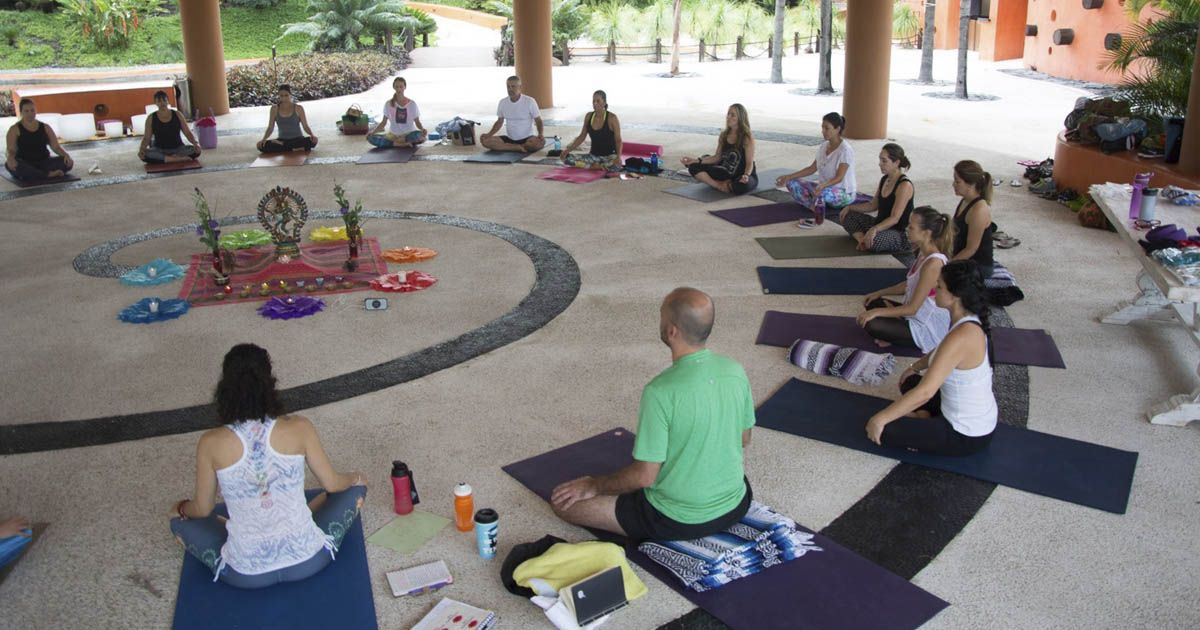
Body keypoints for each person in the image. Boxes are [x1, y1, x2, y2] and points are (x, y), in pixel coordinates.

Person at [551, 288, 754, 542]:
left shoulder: (660, 391)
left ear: (672, 331)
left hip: (676, 519)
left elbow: (644, 477)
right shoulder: (734, 370)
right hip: (736, 504)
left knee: (564, 505)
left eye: (661, 316)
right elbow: (743, 438)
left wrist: (594, 485)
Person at [169, 344, 367, 589]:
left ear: (224, 388)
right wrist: (357, 477)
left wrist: (179, 507)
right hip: (309, 560)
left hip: (244, 574)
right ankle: (309, 510)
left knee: (178, 523)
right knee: (355, 491)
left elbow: (202, 508)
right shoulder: (299, 427)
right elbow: (333, 484)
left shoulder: (211, 442)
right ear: (270, 382)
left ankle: (231, 525)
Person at [866, 260, 997, 455]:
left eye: (940, 286)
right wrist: (915, 367)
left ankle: (923, 418)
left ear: (955, 296)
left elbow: (925, 392)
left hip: (965, 435)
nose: (934, 289)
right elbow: (941, 350)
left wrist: (880, 419)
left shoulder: (962, 336)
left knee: (882, 431)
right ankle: (924, 416)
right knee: (910, 381)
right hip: (957, 412)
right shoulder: (968, 320)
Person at [858, 206, 954, 353]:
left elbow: (912, 308)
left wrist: (876, 312)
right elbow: (909, 285)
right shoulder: (923, 253)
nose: (906, 229)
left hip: (925, 325)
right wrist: (879, 293)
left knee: (872, 323)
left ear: (926, 233)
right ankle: (894, 331)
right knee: (873, 302)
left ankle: (897, 337)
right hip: (913, 314)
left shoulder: (933, 264)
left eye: (911, 227)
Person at [775, 112, 856, 224]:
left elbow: (839, 177)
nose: (823, 131)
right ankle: (814, 205)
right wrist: (789, 176)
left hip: (843, 194)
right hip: (822, 189)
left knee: (820, 193)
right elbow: (812, 168)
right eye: (822, 127)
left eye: (827, 128)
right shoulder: (823, 146)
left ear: (837, 129)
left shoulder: (845, 150)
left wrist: (823, 185)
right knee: (792, 183)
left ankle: (814, 202)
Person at [839, 143, 915, 252]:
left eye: (884, 161)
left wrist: (874, 229)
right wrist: (850, 207)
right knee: (848, 216)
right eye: (880, 160)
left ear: (896, 162)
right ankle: (863, 241)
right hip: (879, 225)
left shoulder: (904, 185)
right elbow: (873, 205)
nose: (880, 164)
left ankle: (868, 240)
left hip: (897, 232)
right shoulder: (884, 179)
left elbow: (895, 218)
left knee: (876, 241)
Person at [679, 104, 758, 195]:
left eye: (732, 115)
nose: (728, 117)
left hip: (742, 174)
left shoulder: (747, 137)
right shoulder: (724, 135)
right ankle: (719, 185)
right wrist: (695, 160)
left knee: (742, 186)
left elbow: (749, 162)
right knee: (693, 167)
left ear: (740, 118)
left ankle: (728, 184)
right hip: (725, 171)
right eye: (728, 114)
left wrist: (746, 175)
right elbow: (717, 157)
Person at [4, 98, 73, 181]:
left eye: (32, 110)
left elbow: (56, 147)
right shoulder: (14, 129)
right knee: (10, 165)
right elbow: (11, 150)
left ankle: (38, 174)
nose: (30, 113)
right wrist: (10, 158)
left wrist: (66, 155)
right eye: (26, 111)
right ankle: (47, 174)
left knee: (66, 163)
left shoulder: (45, 127)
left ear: (36, 111)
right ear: (21, 112)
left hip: (44, 162)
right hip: (25, 163)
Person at [950, 160, 997, 278]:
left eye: (957, 181)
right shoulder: (965, 200)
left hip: (978, 266)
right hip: (962, 259)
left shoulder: (979, 210)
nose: (953, 184)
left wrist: (947, 266)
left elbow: (971, 249)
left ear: (970, 184)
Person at [560, 90, 623, 171]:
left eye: (598, 101)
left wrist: (618, 157)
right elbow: (582, 136)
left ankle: (594, 166)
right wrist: (567, 151)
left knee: (615, 165)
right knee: (566, 159)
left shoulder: (612, 118)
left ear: (604, 103)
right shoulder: (589, 116)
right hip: (593, 157)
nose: (595, 103)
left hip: (609, 157)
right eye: (593, 101)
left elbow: (618, 140)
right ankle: (597, 166)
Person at [480, 75, 545, 153]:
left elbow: (538, 120)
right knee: (486, 142)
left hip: (528, 139)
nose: (510, 89)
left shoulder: (530, 101)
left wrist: (540, 134)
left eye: (513, 86)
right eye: (508, 86)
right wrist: (489, 134)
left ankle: (511, 147)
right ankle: (516, 147)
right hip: (509, 139)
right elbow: (499, 122)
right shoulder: (503, 102)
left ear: (520, 87)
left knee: (538, 144)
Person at [138, 90, 202, 164]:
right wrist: (142, 149)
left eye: (164, 100)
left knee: (196, 151)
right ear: (155, 103)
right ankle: (175, 159)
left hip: (178, 148)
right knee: (146, 154)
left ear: (168, 101)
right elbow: (146, 138)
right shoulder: (151, 118)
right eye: (159, 101)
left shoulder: (178, 114)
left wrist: (195, 144)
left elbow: (187, 133)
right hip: (159, 149)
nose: (162, 103)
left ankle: (168, 159)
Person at [367, 77, 427, 148]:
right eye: (397, 87)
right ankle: (400, 144)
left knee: (420, 136)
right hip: (393, 135)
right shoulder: (388, 104)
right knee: (370, 138)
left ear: (405, 87)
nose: (399, 89)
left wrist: (422, 129)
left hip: (409, 134)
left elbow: (417, 121)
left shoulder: (412, 104)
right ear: (394, 87)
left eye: (401, 87)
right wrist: (373, 132)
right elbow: (383, 122)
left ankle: (396, 143)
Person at [256, 84, 318, 153]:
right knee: (260, 146)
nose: (284, 98)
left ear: (290, 95)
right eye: (281, 96)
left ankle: (286, 147)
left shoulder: (298, 108)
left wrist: (312, 135)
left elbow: (305, 126)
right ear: (279, 96)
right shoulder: (274, 109)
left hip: (297, 139)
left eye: (286, 95)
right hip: (281, 140)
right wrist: (264, 139)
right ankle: (294, 148)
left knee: (312, 141)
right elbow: (270, 127)